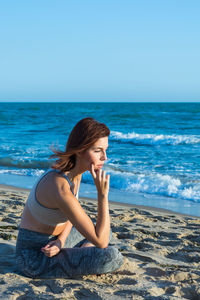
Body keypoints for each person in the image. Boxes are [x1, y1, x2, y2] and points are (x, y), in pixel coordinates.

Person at [16, 117, 123, 278]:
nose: (104, 157)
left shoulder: (75, 174)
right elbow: (100, 243)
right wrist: (102, 195)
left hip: (55, 241)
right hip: (35, 258)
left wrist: (61, 241)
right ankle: (79, 255)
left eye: (105, 150)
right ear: (80, 150)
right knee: (110, 255)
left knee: (104, 230)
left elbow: (69, 218)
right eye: (98, 150)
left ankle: (75, 253)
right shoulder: (59, 186)